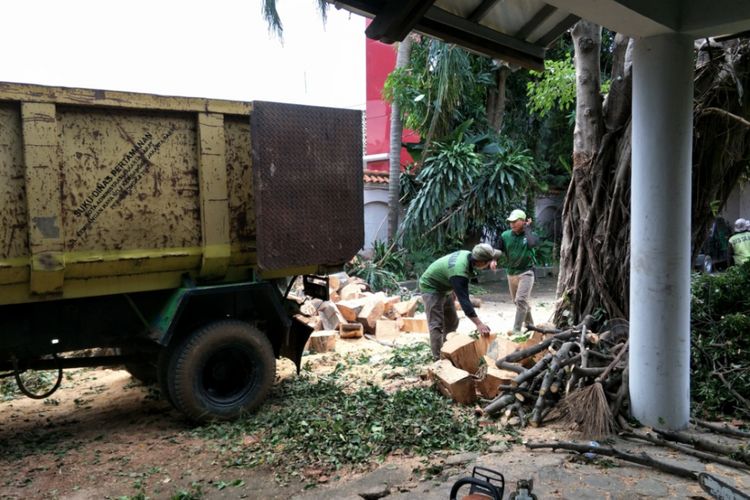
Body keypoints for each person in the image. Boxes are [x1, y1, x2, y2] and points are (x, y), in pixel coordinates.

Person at [419, 243, 502, 360]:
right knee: (436, 325)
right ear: (480, 262)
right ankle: (438, 359)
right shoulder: (459, 273)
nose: (490, 264)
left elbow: (452, 276)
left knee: (452, 322)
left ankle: (447, 348)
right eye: (488, 262)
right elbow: (465, 302)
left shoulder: (468, 255)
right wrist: (479, 324)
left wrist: (454, 289)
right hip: (431, 287)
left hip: (446, 285)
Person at [497, 209, 538, 334]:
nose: (512, 224)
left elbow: (532, 244)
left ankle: (516, 330)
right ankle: (531, 326)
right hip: (511, 273)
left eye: (515, 221)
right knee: (519, 302)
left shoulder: (530, 235)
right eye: (510, 222)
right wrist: (493, 260)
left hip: (527, 272)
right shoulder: (505, 235)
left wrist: (527, 229)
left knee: (520, 300)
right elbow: (498, 249)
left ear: (523, 221)